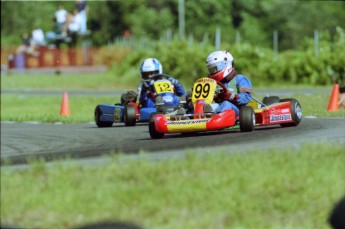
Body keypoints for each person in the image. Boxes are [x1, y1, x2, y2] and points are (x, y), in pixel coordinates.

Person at [205, 50, 252, 116]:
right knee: (203, 106)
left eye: (215, 69)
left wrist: (232, 97)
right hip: (217, 107)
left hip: (237, 111)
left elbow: (247, 97)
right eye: (211, 70)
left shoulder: (240, 79)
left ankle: (217, 118)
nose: (213, 71)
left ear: (226, 64)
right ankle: (191, 117)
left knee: (226, 104)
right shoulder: (212, 83)